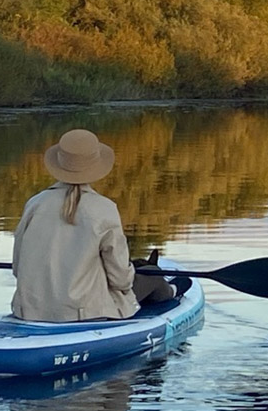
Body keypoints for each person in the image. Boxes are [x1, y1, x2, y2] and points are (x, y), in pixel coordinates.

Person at [11, 128, 189, 322]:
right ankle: (169, 290)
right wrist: (131, 271)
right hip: (86, 314)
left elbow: (17, 268)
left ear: (59, 163)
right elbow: (122, 280)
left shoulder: (35, 204)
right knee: (153, 274)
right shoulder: (104, 209)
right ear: (95, 166)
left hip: (28, 312)